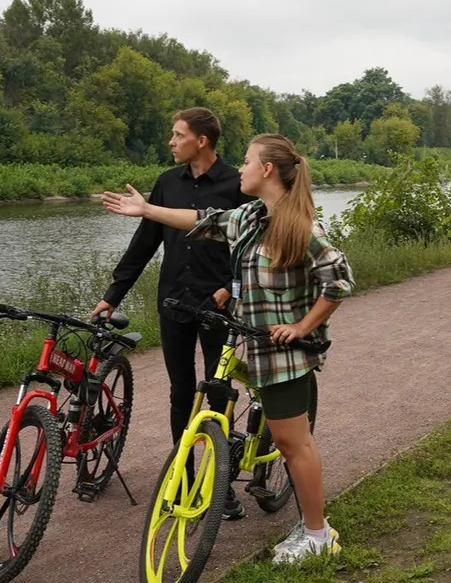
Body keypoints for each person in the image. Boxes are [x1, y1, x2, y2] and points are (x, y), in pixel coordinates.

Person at [100, 133, 354, 565]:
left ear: (268, 170)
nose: (241, 168)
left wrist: (300, 325)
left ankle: (317, 533)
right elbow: (199, 218)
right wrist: (146, 210)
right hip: (246, 341)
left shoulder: (302, 227)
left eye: (248, 161)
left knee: (295, 445)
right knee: (245, 413)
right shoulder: (250, 217)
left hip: (282, 354)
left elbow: (339, 281)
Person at [90, 107, 254, 521]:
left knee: (217, 395)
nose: (171, 141)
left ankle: (218, 488)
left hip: (220, 308)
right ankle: (183, 480)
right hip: (175, 304)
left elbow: (252, 245)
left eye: (178, 135)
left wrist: (231, 287)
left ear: (202, 140)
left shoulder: (238, 184)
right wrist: (113, 295)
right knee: (181, 392)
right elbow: (145, 242)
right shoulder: (166, 183)